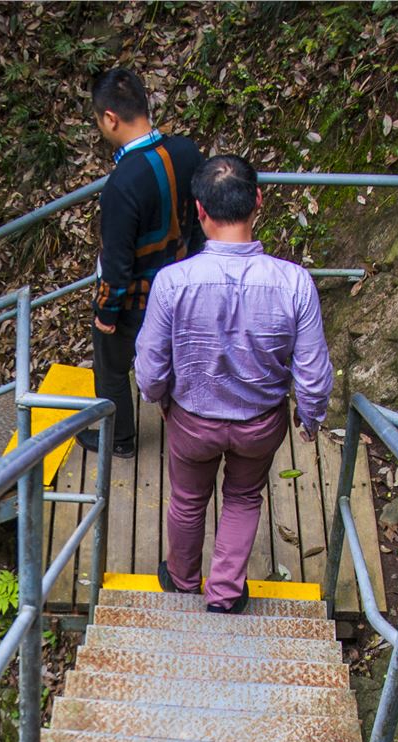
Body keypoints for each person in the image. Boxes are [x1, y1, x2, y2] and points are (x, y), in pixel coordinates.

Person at [135, 155, 334, 614]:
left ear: (199, 211)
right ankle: (224, 593)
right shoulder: (295, 283)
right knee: (244, 498)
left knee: (187, 501)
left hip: (192, 420)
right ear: (258, 200)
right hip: (260, 424)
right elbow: (313, 369)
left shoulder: (172, 282)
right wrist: (310, 414)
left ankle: (182, 580)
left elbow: (150, 365)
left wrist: (158, 397)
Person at [81, 67, 204, 459]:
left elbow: (117, 264)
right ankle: (199, 422)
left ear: (110, 118)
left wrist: (106, 310)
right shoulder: (186, 152)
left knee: (113, 366)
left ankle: (119, 438)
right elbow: (201, 216)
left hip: (139, 298)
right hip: (186, 281)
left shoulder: (121, 185)